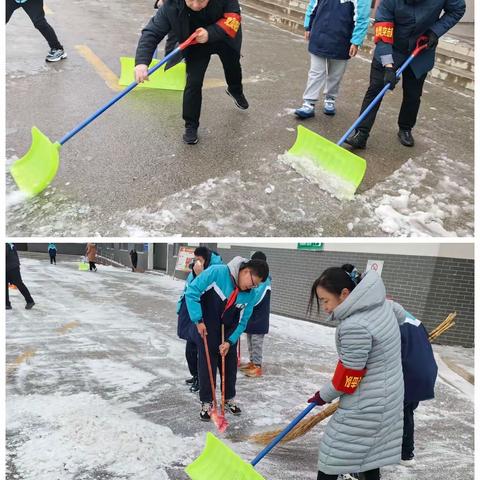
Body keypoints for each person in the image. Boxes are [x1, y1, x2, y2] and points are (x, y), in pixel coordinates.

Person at [307, 264, 403, 480]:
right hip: (389, 395)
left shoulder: (355, 326)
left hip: (368, 403)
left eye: (325, 300)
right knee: (368, 453)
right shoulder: (381, 304)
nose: (324, 306)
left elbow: (349, 378)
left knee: (333, 454)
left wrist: (322, 396)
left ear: (344, 294)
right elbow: (402, 316)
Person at [345, 0, 465, 149]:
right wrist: (388, 66)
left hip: (421, 48)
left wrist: (435, 31)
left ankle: (405, 128)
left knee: (413, 94)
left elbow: (457, 10)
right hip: (392, 46)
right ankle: (361, 133)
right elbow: (383, 30)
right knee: (376, 88)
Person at [134, 0, 248, 145]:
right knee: (193, 82)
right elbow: (152, 32)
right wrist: (142, 63)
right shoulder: (171, 5)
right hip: (195, 43)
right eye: (191, 0)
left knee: (233, 66)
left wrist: (210, 33)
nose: (196, 5)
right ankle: (191, 125)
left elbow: (233, 18)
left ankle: (235, 90)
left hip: (224, 37)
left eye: (201, 1)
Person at [185, 256, 269, 420]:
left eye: (257, 285)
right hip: (207, 327)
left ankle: (228, 398)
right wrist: (198, 321)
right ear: (245, 271)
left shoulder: (249, 294)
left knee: (230, 366)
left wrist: (230, 341)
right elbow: (192, 292)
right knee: (207, 365)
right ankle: (207, 401)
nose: (253, 287)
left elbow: (244, 321)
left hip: (229, 331)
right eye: (253, 282)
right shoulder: (217, 272)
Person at [294, 0, 370, 118]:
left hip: (342, 40)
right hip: (319, 35)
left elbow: (362, 17)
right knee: (316, 72)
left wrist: (356, 41)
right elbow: (312, 6)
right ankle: (309, 103)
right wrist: (308, 26)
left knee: (335, 74)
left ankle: (330, 98)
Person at [177, 246, 223, 393]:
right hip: (191, 313)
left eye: (199, 260)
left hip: (204, 318)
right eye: (195, 259)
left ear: (207, 259)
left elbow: (207, 294)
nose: (197, 262)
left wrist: (200, 275)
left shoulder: (215, 271)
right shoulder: (196, 269)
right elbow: (188, 290)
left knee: (201, 351)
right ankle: (195, 374)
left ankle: (201, 379)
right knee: (189, 349)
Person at [396, 308, 438, 466]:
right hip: (424, 373)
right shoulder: (414, 320)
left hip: (409, 374)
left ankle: (403, 454)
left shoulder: (392, 323)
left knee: (395, 414)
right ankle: (406, 454)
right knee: (406, 413)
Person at [239, 251, 271, 378]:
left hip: (260, 317)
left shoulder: (265, 280)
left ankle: (257, 366)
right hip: (253, 315)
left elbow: (256, 297)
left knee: (256, 342)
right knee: (250, 340)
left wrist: (246, 302)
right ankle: (252, 363)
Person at [6, 243, 35, 310]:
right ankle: (6, 304)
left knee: (19, 283)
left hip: (12, 267)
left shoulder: (7, 244)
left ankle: (30, 301)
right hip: (11, 266)